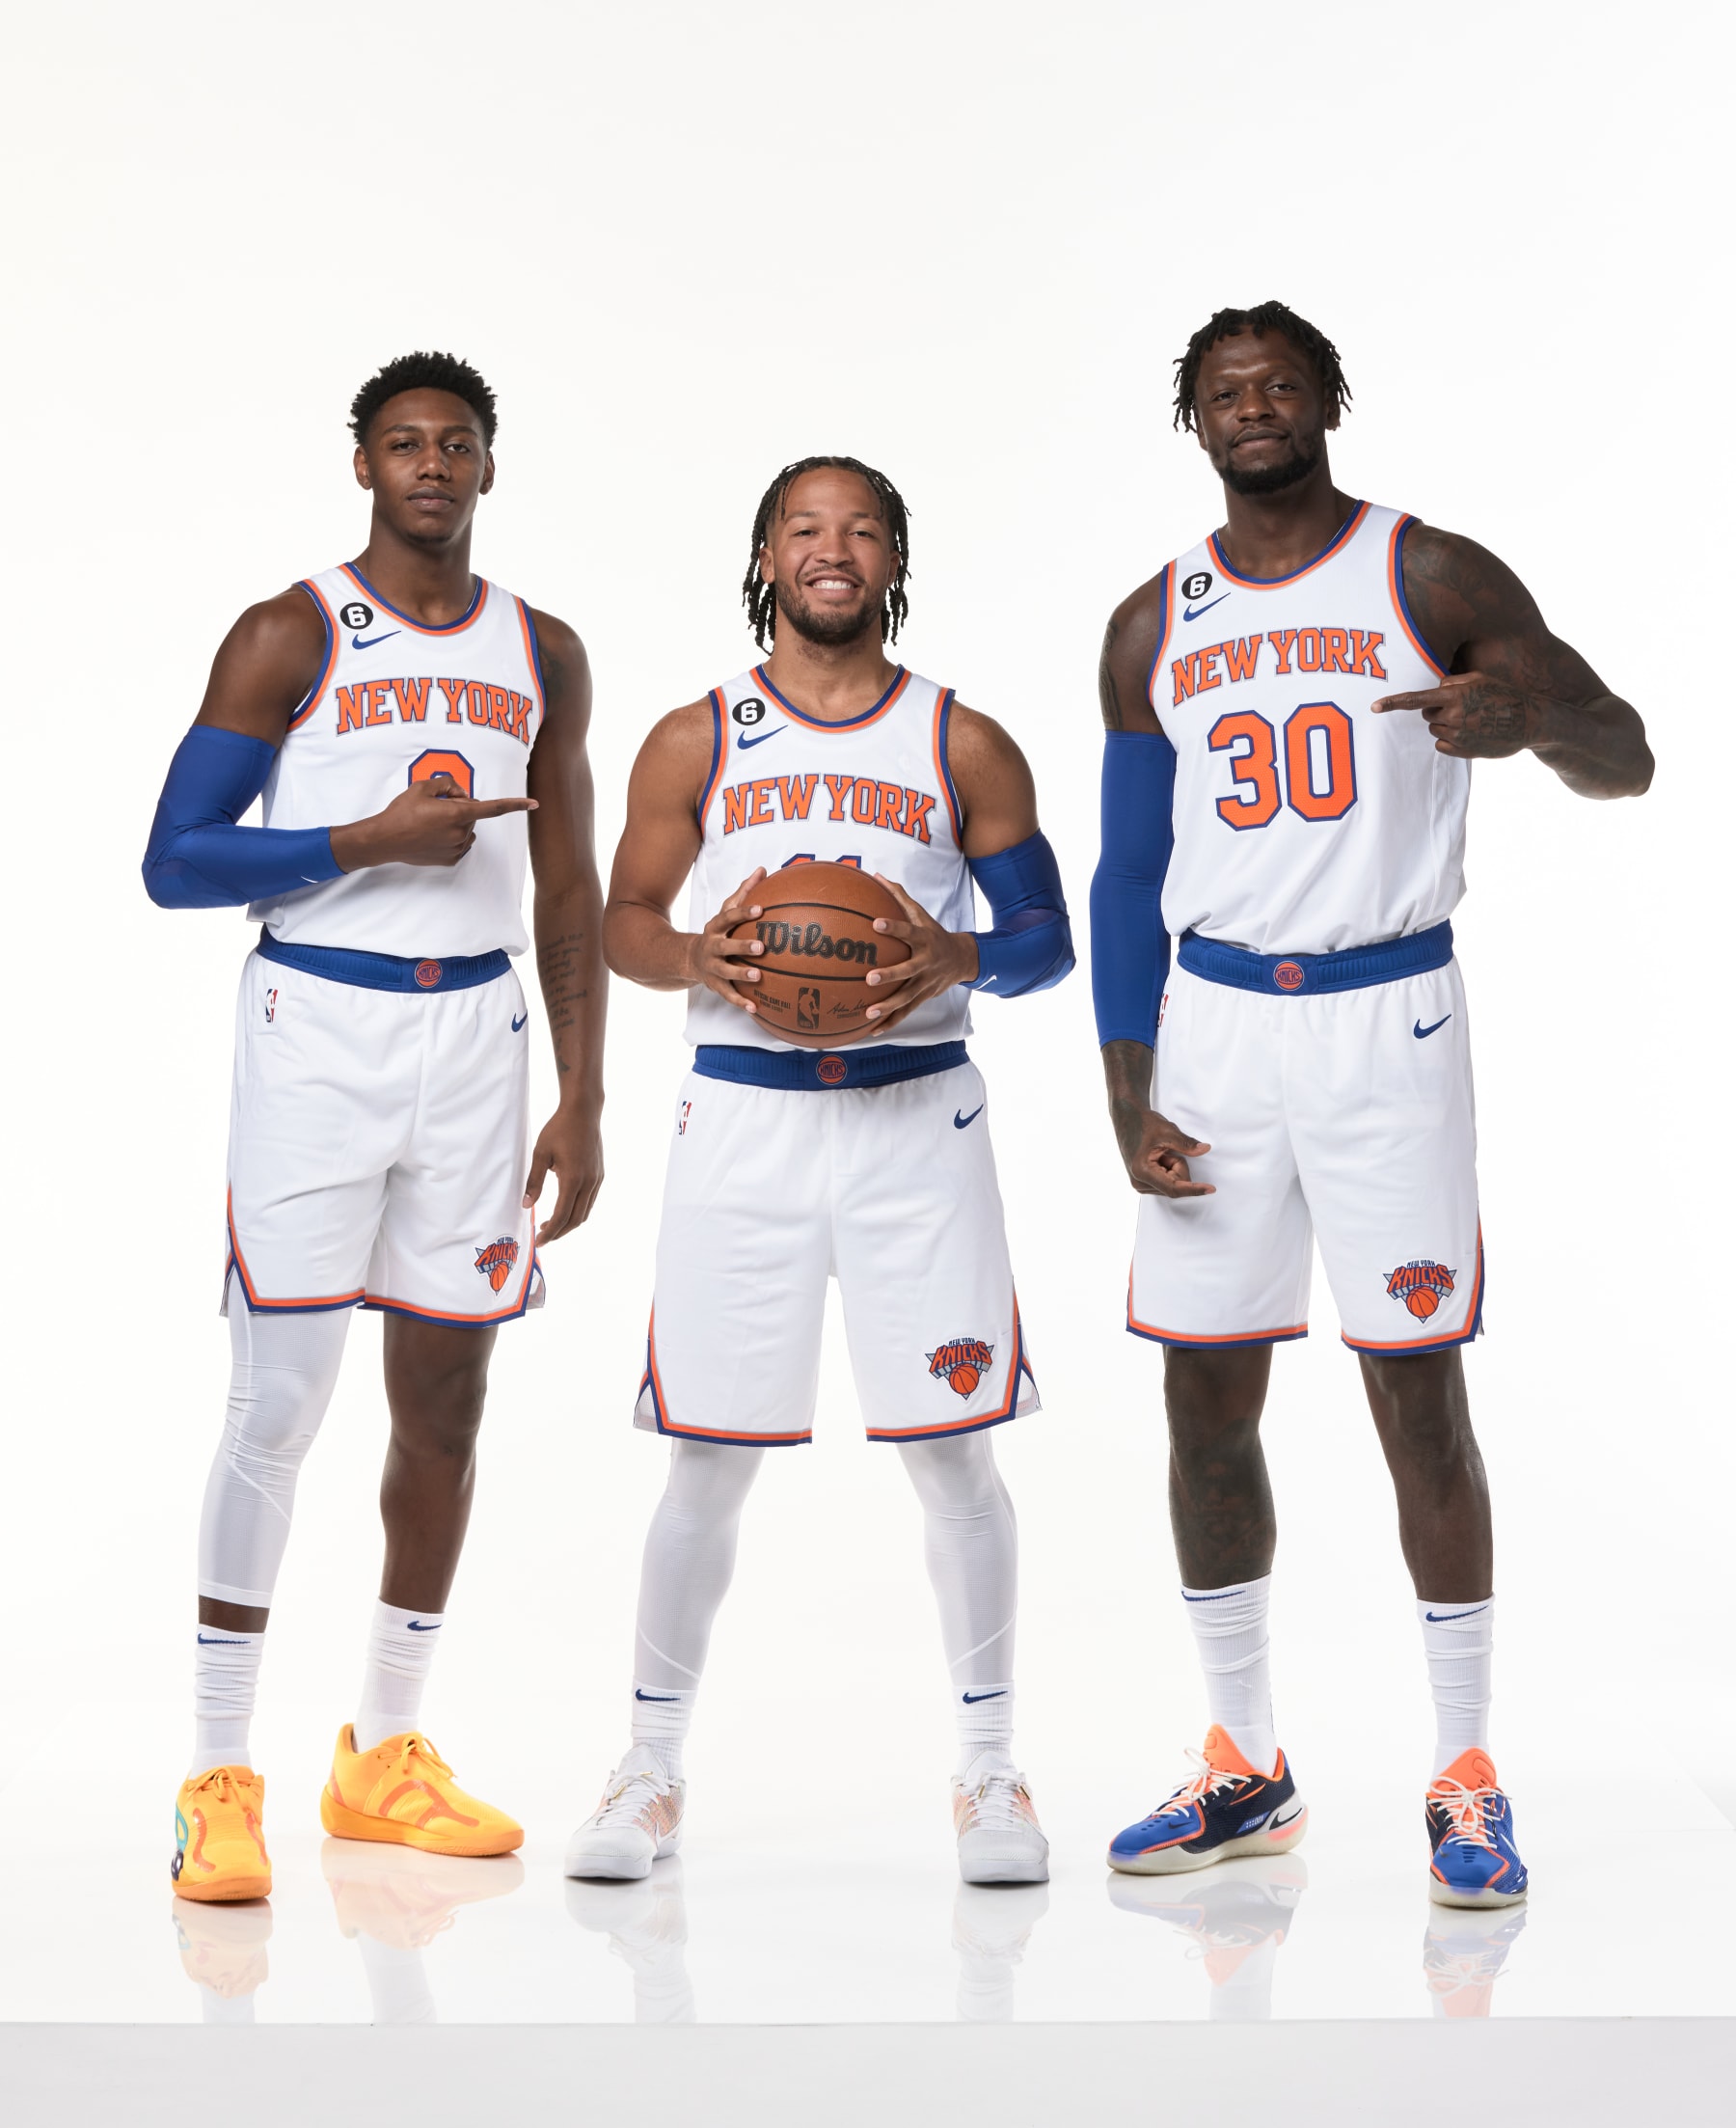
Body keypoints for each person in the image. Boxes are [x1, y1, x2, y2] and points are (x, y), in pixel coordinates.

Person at [1090, 303, 1651, 1907]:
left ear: (1331, 398)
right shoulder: (1151, 621)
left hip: (1384, 1013)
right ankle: (1245, 1760)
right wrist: (1125, 1085)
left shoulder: (1435, 576)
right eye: (1223, 390)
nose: (1254, 405)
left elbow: (1633, 757)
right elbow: (1129, 874)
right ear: (1191, 419)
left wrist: (1531, 720)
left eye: (1280, 382)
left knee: (1418, 1391)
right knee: (1205, 1405)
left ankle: (1467, 1771)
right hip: (1211, 1029)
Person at [566, 456, 1071, 1886]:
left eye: (860, 530)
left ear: (893, 557)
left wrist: (959, 951)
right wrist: (697, 955)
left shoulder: (961, 740)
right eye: (805, 528)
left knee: (950, 1451)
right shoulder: (693, 736)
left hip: (919, 1122)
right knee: (707, 1461)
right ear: (766, 556)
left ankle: (987, 1769)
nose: (831, 550)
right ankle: (650, 1766)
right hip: (746, 1120)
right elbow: (623, 920)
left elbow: (1044, 938)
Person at [143, 351, 607, 1900]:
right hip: (320, 1025)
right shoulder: (292, 629)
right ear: (362, 464)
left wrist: (586, 1090)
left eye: (456, 444)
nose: (430, 465)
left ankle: (383, 1755)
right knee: (277, 1406)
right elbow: (173, 857)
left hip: (480, 1039)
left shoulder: (544, 648)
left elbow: (567, 886)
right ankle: (220, 1775)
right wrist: (359, 837)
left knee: (448, 1404)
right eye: (403, 443)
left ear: (489, 467)